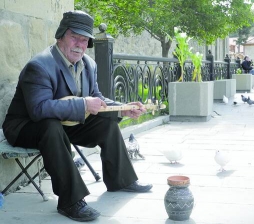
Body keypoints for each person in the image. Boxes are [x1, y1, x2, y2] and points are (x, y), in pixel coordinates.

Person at [2, 10, 152, 222]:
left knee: (106, 122)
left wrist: (122, 108)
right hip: (27, 126)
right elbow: (39, 110)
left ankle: (121, 180)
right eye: (75, 37)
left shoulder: (89, 64)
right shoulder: (39, 65)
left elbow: (97, 99)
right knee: (50, 127)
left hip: (65, 123)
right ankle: (70, 201)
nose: (80, 45)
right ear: (61, 35)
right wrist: (83, 104)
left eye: (85, 40)